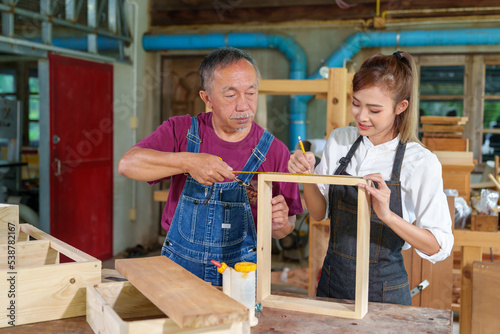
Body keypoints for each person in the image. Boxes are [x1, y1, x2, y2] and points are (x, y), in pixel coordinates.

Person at [119, 47, 303, 285]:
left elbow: (285, 227)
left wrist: (280, 225)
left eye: (251, 93)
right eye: (230, 95)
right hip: (179, 269)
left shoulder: (274, 151)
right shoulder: (181, 130)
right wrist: (188, 161)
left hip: (242, 274)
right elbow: (128, 164)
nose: (243, 106)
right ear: (207, 98)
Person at [288, 51, 454, 305]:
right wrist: (307, 176)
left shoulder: (420, 162)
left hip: (384, 292)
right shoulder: (341, 140)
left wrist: (387, 215)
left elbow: (438, 247)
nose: (361, 117)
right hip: (332, 283)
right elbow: (319, 214)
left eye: (374, 110)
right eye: (356, 103)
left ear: (401, 107)